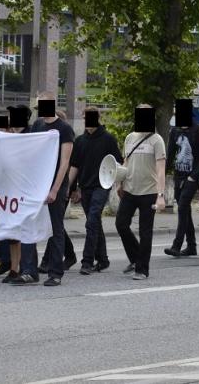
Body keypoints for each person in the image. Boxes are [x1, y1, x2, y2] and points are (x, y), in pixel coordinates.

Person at [13, 98, 75, 286]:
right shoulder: (38, 125)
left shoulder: (64, 129)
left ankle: (55, 273)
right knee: (27, 225)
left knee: (56, 229)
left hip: (54, 185)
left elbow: (64, 163)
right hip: (35, 184)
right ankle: (29, 271)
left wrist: (55, 189)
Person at [66, 107, 123, 275]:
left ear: (98, 118)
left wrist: (116, 182)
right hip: (85, 187)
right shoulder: (81, 140)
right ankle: (103, 259)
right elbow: (74, 165)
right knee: (95, 223)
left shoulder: (108, 139)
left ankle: (87, 261)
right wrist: (71, 188)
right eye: (85, 118)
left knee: (91, 221)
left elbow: (117, 162)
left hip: (101, 186)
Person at [116, 105, 167, 280]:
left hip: (149, 192)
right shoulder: (130, 138)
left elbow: (161, 169)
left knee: (145, 231)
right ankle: (136, 258)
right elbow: (126, 161)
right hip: (130, 189)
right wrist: (120, 182)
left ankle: (142, 269)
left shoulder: (157, 140)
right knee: (121, 224)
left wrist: (161, 195)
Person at [164, 100, 199, 257]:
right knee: (185, 210)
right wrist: (162, 174)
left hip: (192, 176)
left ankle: (176, 245)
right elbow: (169, 154)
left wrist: (194, 177)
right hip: (178, 175)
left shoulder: (198, 131)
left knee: (183, 206)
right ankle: (192, 246)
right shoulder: (175, 131)